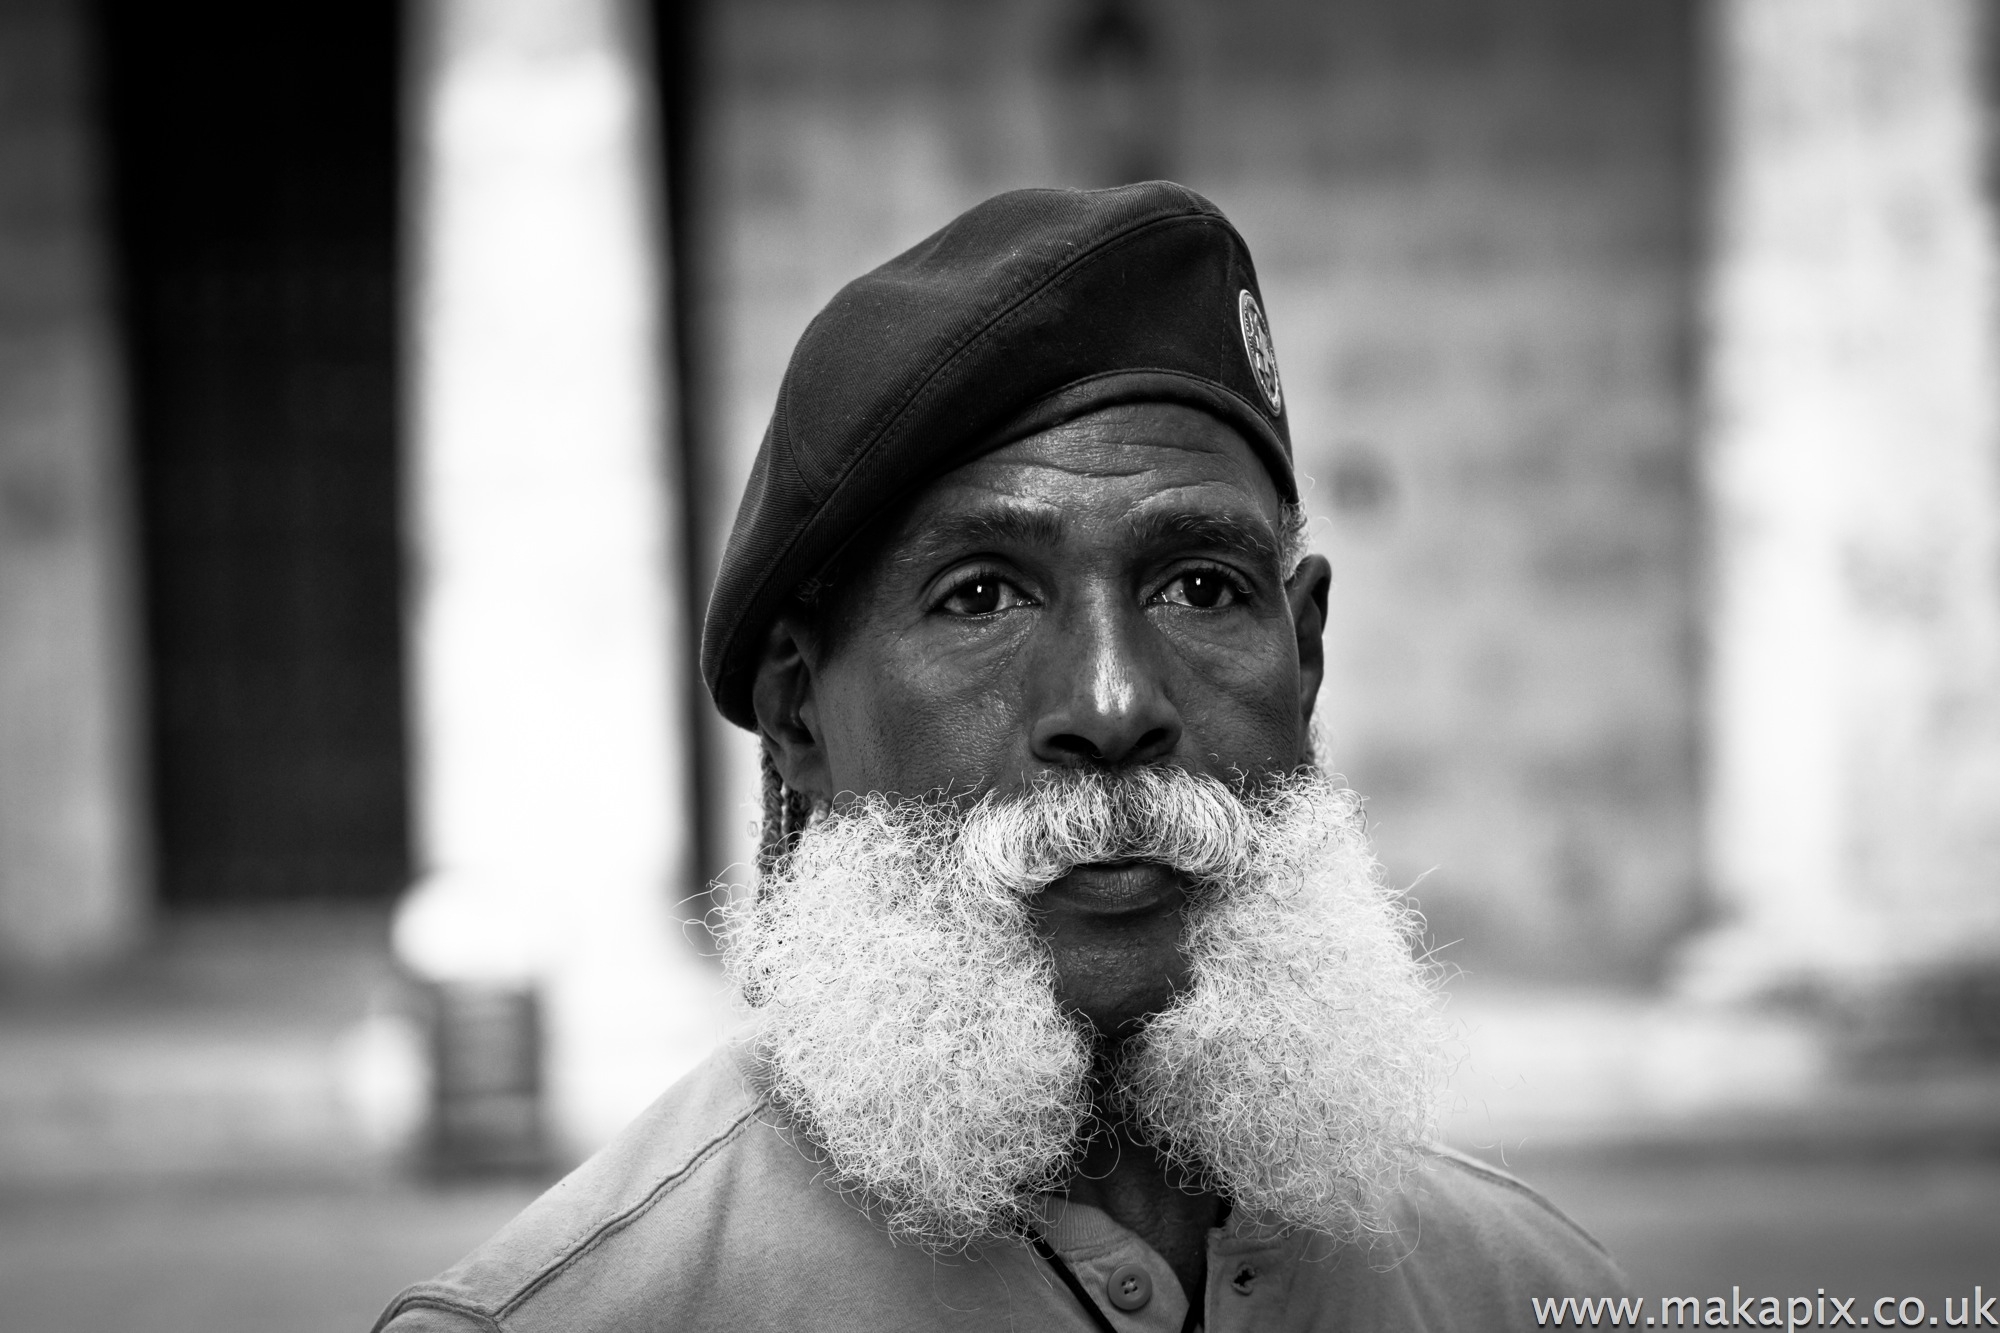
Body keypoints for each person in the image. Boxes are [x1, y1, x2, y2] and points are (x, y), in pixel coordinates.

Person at [374, 182, 1630, 1333]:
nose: (1112, 703)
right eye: (981, 597)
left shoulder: (1524, 1289)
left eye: (1199, 584)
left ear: (1303, 658)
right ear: (801, 714)